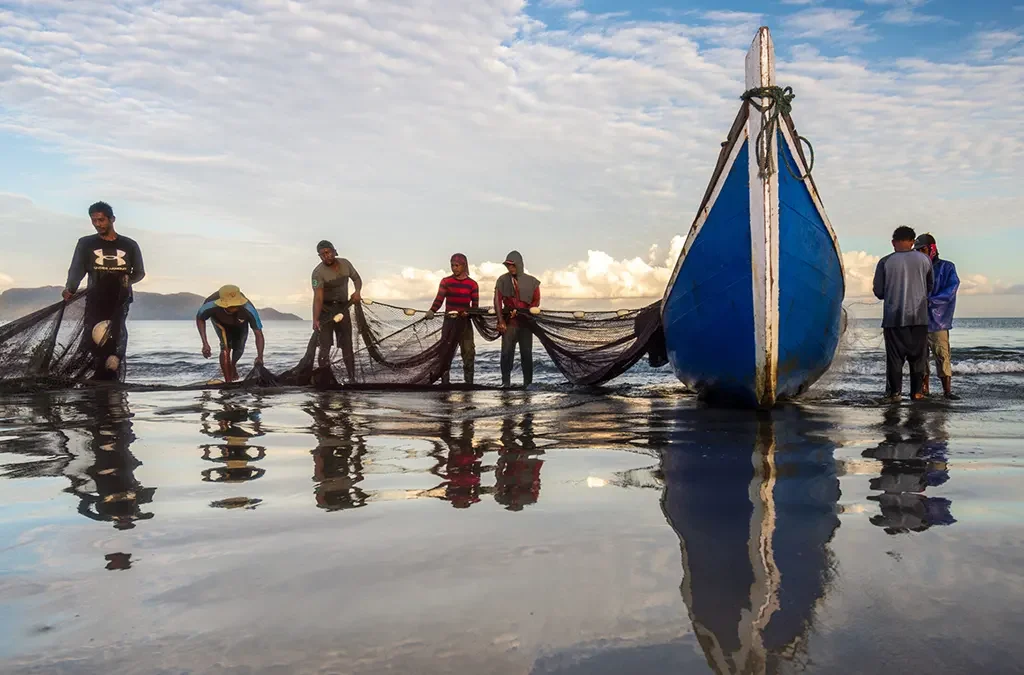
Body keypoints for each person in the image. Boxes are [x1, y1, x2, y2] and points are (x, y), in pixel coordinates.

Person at [62, 201, 145, 380]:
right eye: (94, 221)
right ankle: (95, 373)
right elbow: (77, 268)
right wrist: (70, 288)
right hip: (95, 297)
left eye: (101, 220)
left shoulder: (129, 245)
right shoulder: (86, 243)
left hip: (120, 298)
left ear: (112, 219)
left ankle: (113, 368)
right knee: (92, 336)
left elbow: (140, 272)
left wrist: (128, 279)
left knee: (117, 332)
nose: (98, 224)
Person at [872, 226, 933, 403]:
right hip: (919, 318)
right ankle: (916, 393)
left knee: (895, 359)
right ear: (913, 241)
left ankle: (895, 394)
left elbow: (879, 292)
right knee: (918, 358)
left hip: (894, 319)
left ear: (893, 242)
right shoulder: (925, 260)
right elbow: (930, 286)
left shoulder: (885, 262)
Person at [914, 233, 961, 400]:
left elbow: (951, 289)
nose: (921, 253)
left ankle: (947, 391)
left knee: (942, 354)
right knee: (921, 356)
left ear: (932, 248)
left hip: (939, 321)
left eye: (923, 249)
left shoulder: (947, 267)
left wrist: (931, 301)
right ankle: (924, 389)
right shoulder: (917, 268)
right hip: (918, 319)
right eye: (918, 250)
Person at [311, 240, 362, 381]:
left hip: (343, 308)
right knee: (325, 346)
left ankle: (352, 378)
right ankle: (325, 378)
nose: (325, 256)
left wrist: (357, 292)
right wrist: (315, 319)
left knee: (347, 345)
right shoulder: (317, 273)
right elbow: (318, 298)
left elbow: (357, 278)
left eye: (328, 252)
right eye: (322, 254)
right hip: (325, 311)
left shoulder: (345, 264)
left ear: (334, 251)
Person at [425, 253, 479, 384]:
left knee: (468, 352)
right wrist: (432, 310)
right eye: (452, 265)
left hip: (465, 324)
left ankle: (469, 383)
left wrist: (469, 313)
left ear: (464, 266)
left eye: (457, 265)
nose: (454, 268)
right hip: (449, 322)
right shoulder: (446, 282)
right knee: (445, 353)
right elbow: (439, 299)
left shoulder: (472, 284)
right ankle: (445, 382)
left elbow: (475, 306)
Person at [195, 285, 265, 383]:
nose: (234, 307)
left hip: (240, 323)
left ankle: (233, 365)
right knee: (225, 348)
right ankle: (228, 381)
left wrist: (260, 356)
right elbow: (200, 318)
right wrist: (205, 343)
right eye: (231, 305)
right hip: (219, 321)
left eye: (236, 305)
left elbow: (258, 333)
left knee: (239, 348)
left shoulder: (248, 309)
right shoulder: (210, 306)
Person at [493, 250, 540, 388]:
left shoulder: (532, 282)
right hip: (509, 323)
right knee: (506, 353)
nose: (510, 268)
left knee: (526, 354)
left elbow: (535, 302)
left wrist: (522, 312)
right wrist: (501, 320)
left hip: (525, 324)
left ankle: (528, 384)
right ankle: (505, 383)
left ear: (519, 265)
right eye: (508, 266)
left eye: (513, 265)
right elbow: (497, 300)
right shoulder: (502, 280)